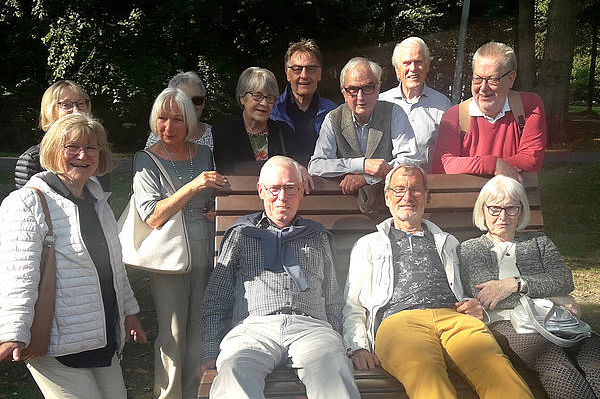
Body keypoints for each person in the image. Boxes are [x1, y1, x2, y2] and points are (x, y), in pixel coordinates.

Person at [342, 164, 534, 399]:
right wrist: (358, 346)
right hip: (399, 322)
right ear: (387, 196)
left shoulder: (448, 241)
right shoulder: (368, 244)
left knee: (496, 369)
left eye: (416, 190)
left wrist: (476, 305)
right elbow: (353, 304)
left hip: (454, 319)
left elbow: (466, 290)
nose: (407, 197)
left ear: (426, 196)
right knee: (426, 374)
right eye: (399, 189)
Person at [0, 114, 146, 398]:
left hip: (101, 339)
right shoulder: (28, 202)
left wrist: (130, 313)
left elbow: (113, 266)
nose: (83, 155)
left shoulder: (97, 200)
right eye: (72, 147)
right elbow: (17, 273)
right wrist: (13, 331)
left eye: (91, 148)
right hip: (58, 345)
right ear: (54, 150)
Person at [198, 156, 360, 399]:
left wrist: (337, 338)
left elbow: (333, 297)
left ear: (301, 191)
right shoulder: (241, 235)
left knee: (334, 370)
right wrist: (210, 351)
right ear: (261, 191)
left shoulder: (317, 236)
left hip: (312, 329)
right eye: (274, 188)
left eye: (290, 188)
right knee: (234, 370)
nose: (282, 197)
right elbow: (216, 297)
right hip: (253, 330)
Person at [459, 175, 600, 399]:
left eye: (511, 209)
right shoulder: (471, 249)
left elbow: (564, 279)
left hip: (555, 319)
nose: (503, 216)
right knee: (555, 363)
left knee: (595, 359)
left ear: (521, 211)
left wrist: (515, 284)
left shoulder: (539, 242)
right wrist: (556, 298)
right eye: (494, 209)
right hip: (508, 324)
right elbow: (487, 297)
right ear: (483, 211)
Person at [133, 87, 227, 399]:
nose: (169, 128)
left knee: (200, 328)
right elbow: (153, 216)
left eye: (177, 120)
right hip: (169, 258)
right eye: (162, 119)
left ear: (189, 121)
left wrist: (216, 210)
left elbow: (212, 197)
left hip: (205, 252)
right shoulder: (144, 160)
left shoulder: (204, 154)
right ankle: (169, 394)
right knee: (173, 333)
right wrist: (196, 184)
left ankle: (194, 392)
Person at [432, 42, 547, 182]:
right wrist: (492, 164)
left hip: (512, 202)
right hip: (467, 200)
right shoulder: (454, 116)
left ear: (511, 78)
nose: (483, 88)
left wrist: (475, 167)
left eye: (492, 79)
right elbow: (442, 165)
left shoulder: (529, 107)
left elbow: (531, 158)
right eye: (477, 79)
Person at [308, 57, 421, 196]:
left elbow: (410, 161)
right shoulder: (333, 119)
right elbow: (316, 166)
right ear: (344, 93)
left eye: (368, 88)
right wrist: (362, 165)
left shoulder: (394, 113)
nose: (360, 97)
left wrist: (367, 177)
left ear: (378, 89)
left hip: (389, 205)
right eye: (353, 90)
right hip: (345, 206)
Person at [14, 80, 109, 191]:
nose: (76, 110)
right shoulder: (32, 160)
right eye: (66, 105)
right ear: (49, 111)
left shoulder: (95, 155)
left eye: (81, 103)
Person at [379, 37, 451, 170]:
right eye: (406, 63)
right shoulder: (381, 102)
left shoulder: (443, 104)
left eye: (418, 62)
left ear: (427, 66)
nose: (413, 68)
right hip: (385, 184)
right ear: (397, 68)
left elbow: (448, 153)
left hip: (429, 184)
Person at [212, 67, 299, 172]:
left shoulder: (283, 131)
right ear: (242, 97)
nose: (264, 103)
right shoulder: (224, 132)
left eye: (270, 98)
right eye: (257, 96)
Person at [270, 39, 337, 163]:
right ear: (287, 74)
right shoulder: (272, 111)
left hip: (323, 180)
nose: (304, 75)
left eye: (311, 69)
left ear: (320, 74)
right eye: (297, 69)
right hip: (283, 180)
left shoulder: (334, 112)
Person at [145, 71, 213, 150]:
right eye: (184, 101)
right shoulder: (158, 135)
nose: (191, 106)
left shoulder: (216, 136)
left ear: (203, 103)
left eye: (197, 100)